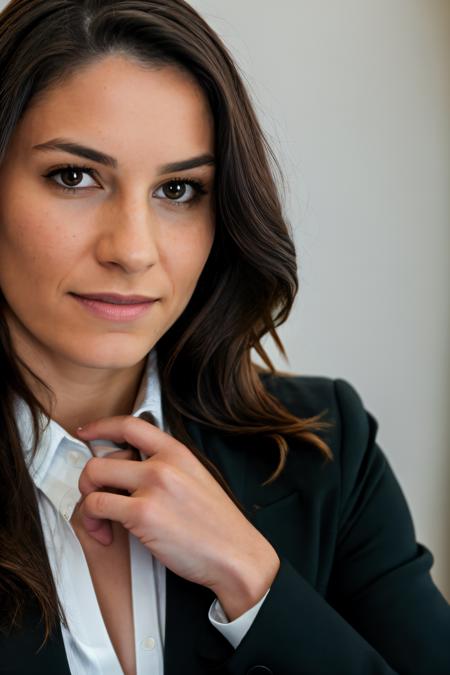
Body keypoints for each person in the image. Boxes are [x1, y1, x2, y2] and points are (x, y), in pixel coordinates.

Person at [0, 0, 448, 673]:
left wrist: (254, 583)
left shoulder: (329, 452)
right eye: (74, 176)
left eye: (179, 189)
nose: (132, 250)